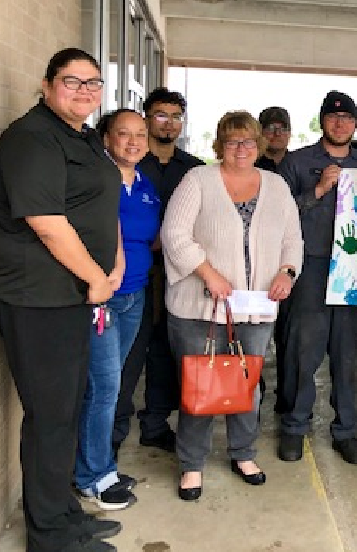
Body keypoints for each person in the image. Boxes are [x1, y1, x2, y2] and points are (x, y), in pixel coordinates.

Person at [0, 47, 122, 552]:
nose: (84, 91)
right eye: (72, 81)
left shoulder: (81, 137)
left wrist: (111, 266)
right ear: (46, 86)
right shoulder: (31, 138)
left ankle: (64, 512)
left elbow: (99, 202)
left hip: (73, 295)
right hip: (37, 298)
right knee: (49, 416)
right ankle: (46, 535)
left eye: (93, 83)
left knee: (65, 412)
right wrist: (96, 277)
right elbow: (46, 221)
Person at [160, 111, 303, 500]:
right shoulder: (199, 180)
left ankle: (243, 452)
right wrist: (208, 272)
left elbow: (293, 238)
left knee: (246, 385)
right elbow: (174, 234)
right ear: (220, 145)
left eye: (249, 142)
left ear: (259, 145)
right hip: (199, 308)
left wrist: (287, 273)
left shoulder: (275, 185)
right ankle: (192, 464)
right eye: (233, 141)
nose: (242, 149)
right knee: (200, 386)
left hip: (255, 308)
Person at [276, 91, 357, 465]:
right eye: (333, 118)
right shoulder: (298, 163)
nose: (340, 124)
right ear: (322, 121)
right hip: (312, 266)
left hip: (354, 269)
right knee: (304, 351)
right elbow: (279, 218)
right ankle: (294, 427)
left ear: (355, 124)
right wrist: (317, 191)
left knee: (346, 355)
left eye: (347, 118)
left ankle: (345, 432)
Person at [74, 109, 161, 512]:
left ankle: (98, 465)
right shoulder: (97, 179)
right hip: (102, 298)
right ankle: (93, 475)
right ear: (106, 137)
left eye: (140, 134)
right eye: (123, 134)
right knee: (103, 387)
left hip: (135, 296)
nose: (133, 141)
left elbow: (153, 237)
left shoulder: (145, 183)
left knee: (115, 383)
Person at [113, 87, 204, 455]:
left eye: (176, 116)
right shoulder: (131, 163)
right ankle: (112, 436)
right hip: (136, 275)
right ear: (147, 118)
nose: (169, 123)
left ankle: (155, 423)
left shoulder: (194, 168)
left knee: (167, 352)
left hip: (179, 275)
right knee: (130, 355)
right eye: (161, 115)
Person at [255, 106, 292, 172]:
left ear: (289, 133)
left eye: (283, 129)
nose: (277, 133)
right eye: (270, 128)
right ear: (259, 132)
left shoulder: (298, 164)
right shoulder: (250, 165)